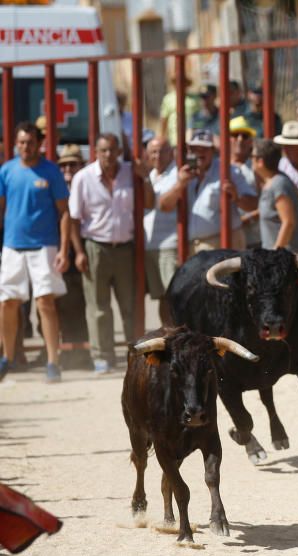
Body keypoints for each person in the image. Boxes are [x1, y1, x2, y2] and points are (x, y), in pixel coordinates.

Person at [69, 132, 154, 373]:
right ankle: (102, 356)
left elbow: (149, 203)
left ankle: (133, 353)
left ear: (119, 152)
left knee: (129, 304)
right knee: (98, 307)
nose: (108, 155)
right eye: (103, 150)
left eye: (112, 150)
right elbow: (74, 219)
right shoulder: (83, 178)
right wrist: (78, 252)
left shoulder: (131, 172)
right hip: (96, 246)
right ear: (96, 152)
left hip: (125, 248)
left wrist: (144, 177)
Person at [0, 123, 72, 382]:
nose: (25, 147)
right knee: (7, 303)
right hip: (12, 245)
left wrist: (64, 249)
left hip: (44, 245)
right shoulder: (6, 171)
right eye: (21, 142)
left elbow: (64, 212)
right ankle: (7, 357)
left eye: (30, 142)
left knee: (46, 303)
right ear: (15, 144)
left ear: (38, 143)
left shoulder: (51, 171)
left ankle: (53, 361)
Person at [160, 129, 257, 255]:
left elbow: (253, 204)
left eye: (204, 149)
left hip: (224, 242)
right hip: (192, 247)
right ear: (189, 150)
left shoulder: (229, 171)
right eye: (195, 148)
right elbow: (164, 206)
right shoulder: (182, 172)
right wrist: (180, 185)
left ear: (213, 151)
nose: (200, 153)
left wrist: (236, 196)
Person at [53, 144, 89, 368]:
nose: (68, 169)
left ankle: (84, 352)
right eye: (64, 165)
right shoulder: (56, 188)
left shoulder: (86, 185)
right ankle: (62, 350)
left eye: (73, 164)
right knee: (58, 304)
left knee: (85, 303)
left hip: (84, 253)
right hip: (57, 253)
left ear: (81, 165)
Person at [143, 136, 179, 326]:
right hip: (151, 245)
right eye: (153, 152)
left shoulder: (177, 174)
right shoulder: (150, 175)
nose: (157, 156)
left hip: (169, 244)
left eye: (162, 151)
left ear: (171, 152)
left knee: (173, 297)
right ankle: (168, 336)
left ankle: (176, 338)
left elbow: (162, 204)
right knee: (162, 298)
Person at [252, 139, 298, 253]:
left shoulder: (279, 183)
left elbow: (288, 222)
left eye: (252, 156)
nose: (250, 160)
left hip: (286, 258)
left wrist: (275, 253)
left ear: (260, 161)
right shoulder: (275, 180)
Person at [228, 116, 260, 247]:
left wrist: (247, 219)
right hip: (226, 237)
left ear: (251, 141)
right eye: (235, 135)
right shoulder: (216, 167)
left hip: (253, 239)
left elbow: (268, 202)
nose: (240, 139)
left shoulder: (258, 167)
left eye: (245, 136)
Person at [159, 71, 198, 146]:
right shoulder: (168, 99)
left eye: (183, 82)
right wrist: (162, 136)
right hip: (174, 139)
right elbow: (164, 119)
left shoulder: (194, 99)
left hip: (192, 139)